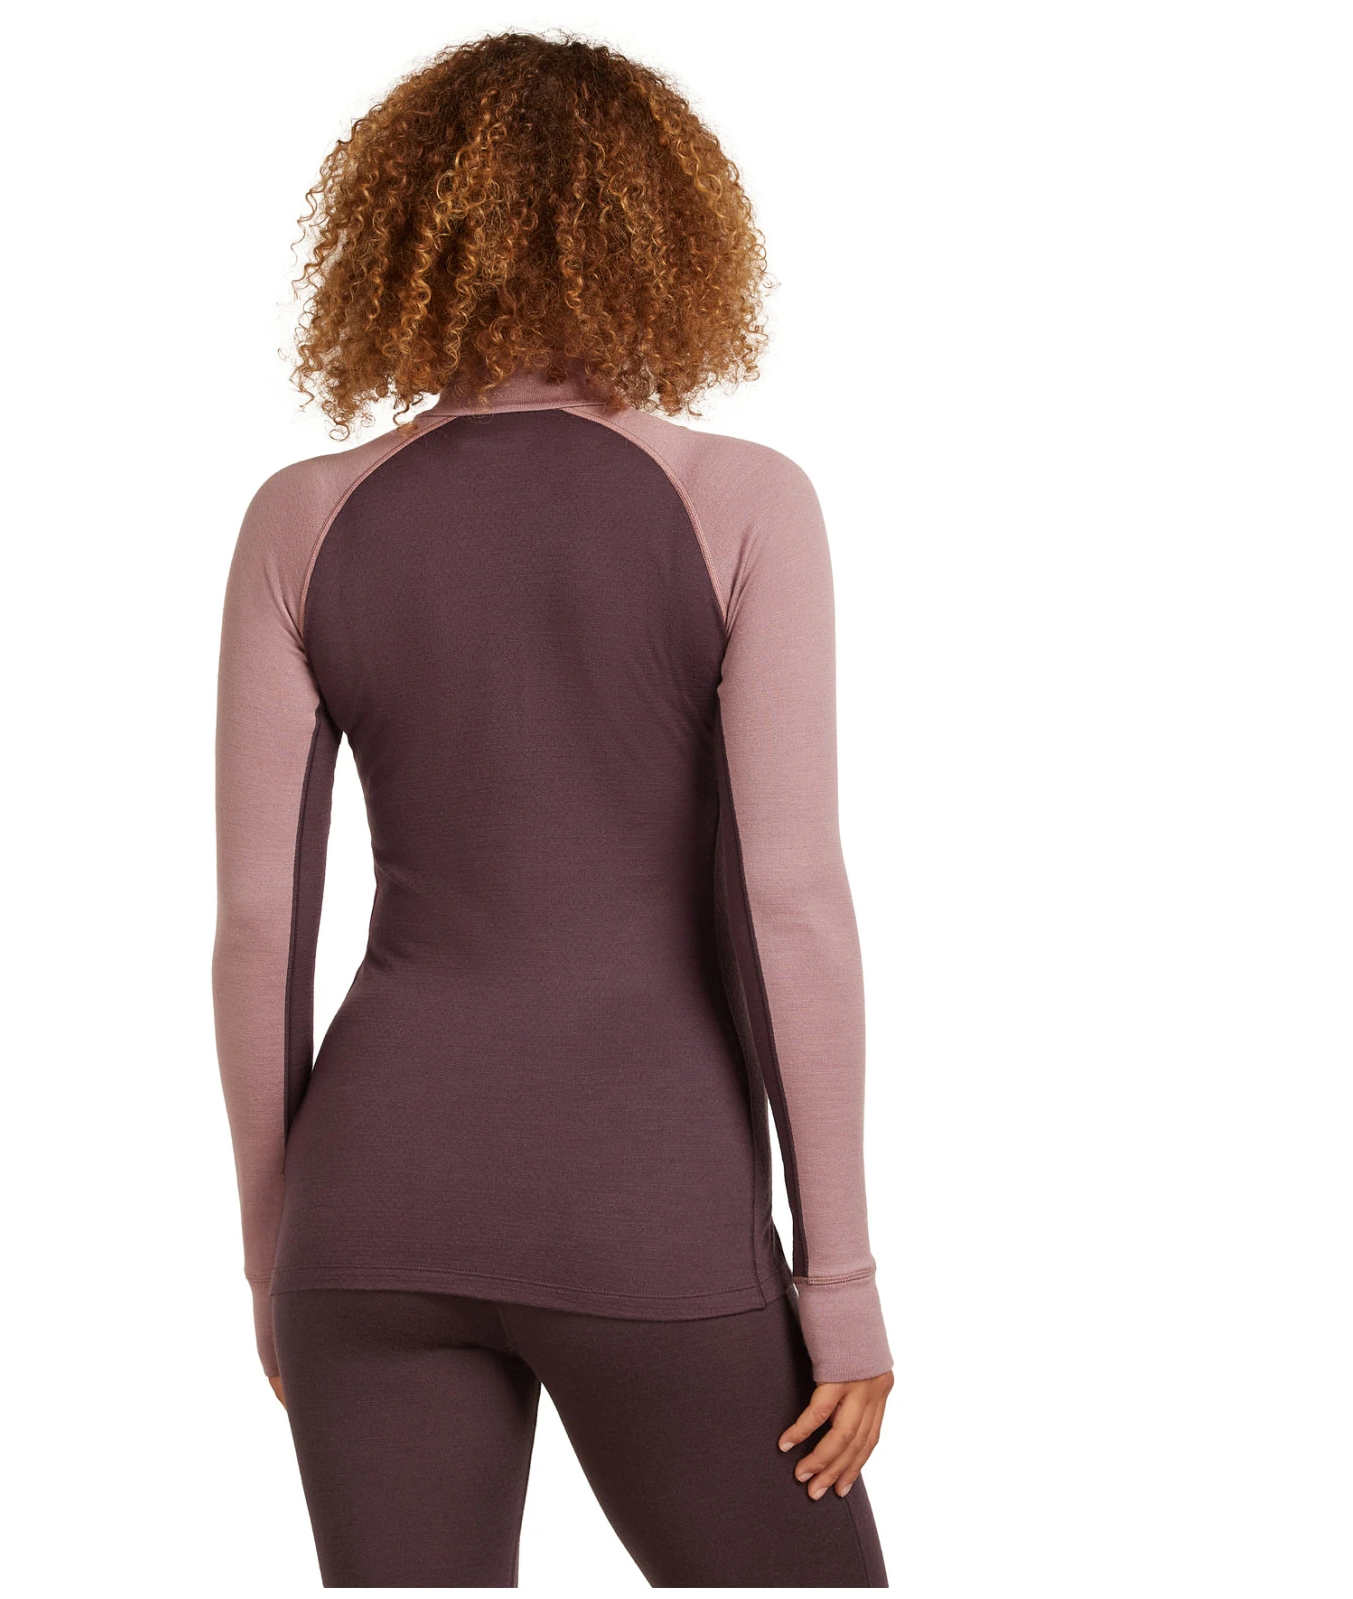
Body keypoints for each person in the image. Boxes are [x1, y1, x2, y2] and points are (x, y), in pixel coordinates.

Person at [212, 30, 894, 1588]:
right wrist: (838, 1277)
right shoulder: (738, 500)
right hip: (645, 1209)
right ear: (668, 231)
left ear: (399, 235)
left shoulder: (300, 517)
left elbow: (259, 929)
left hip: (365, 1224)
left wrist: (272, 1257)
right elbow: (787, 904)